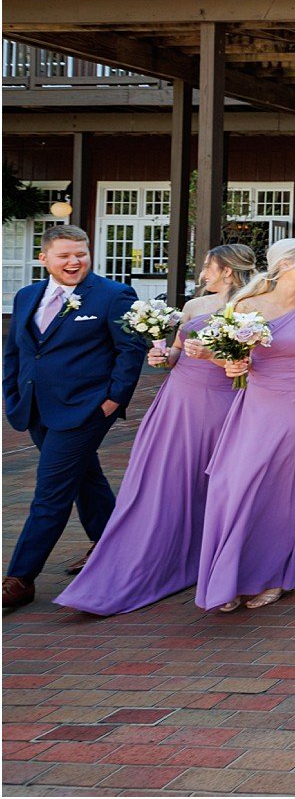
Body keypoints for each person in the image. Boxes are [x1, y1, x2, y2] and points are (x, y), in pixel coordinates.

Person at [57, 245, 258, 614]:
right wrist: (163, 357)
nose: (204, 273)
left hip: (221, 403)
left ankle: (213, 557)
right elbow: (178, 353)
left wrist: (210, 355)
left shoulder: (251, 306)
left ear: (228, 271)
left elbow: (247, 362)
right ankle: (150, 557)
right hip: (177, 400)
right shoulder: (195, 306)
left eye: (210, 267)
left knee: (216, 483)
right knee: (161, 480)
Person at [2, 225, 143, 611]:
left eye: (80, 253)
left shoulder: (114, 295)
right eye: (64, 255)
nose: (74, 261)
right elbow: (16, 350)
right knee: (84, 477)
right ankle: (113, 547)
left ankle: (20, 578)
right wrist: (11, 392)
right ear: (43, 258)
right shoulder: (27, 294)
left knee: (50, 493)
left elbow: (131, 350)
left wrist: (114, 400)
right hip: (34, 407)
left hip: (86, 410)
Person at [195, 239, 295, 612]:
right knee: (231, 485)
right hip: (251, 406)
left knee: (279, 496)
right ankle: (229, 577)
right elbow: (226, 356)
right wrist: (229, 365)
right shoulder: (244, 306)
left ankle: (272, 577)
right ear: (284, 264)